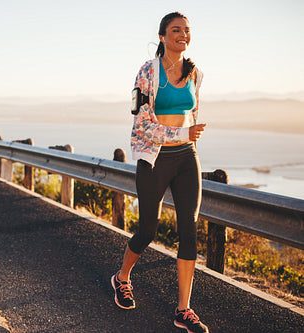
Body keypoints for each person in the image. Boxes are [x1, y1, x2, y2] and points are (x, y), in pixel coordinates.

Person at [111, 12, 209, 333]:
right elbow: (142, 123)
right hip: (154, 160)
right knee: (148, 230)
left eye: (186, 30)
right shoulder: (148, 71)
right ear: (162, 36)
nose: (183, 35)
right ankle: (122, 277)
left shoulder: (196, 74)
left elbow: (191, 116)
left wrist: (187, 138)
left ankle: (184, 309)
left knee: (189, 231)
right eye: (175, 30)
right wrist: (182, 135)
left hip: (186, 159)